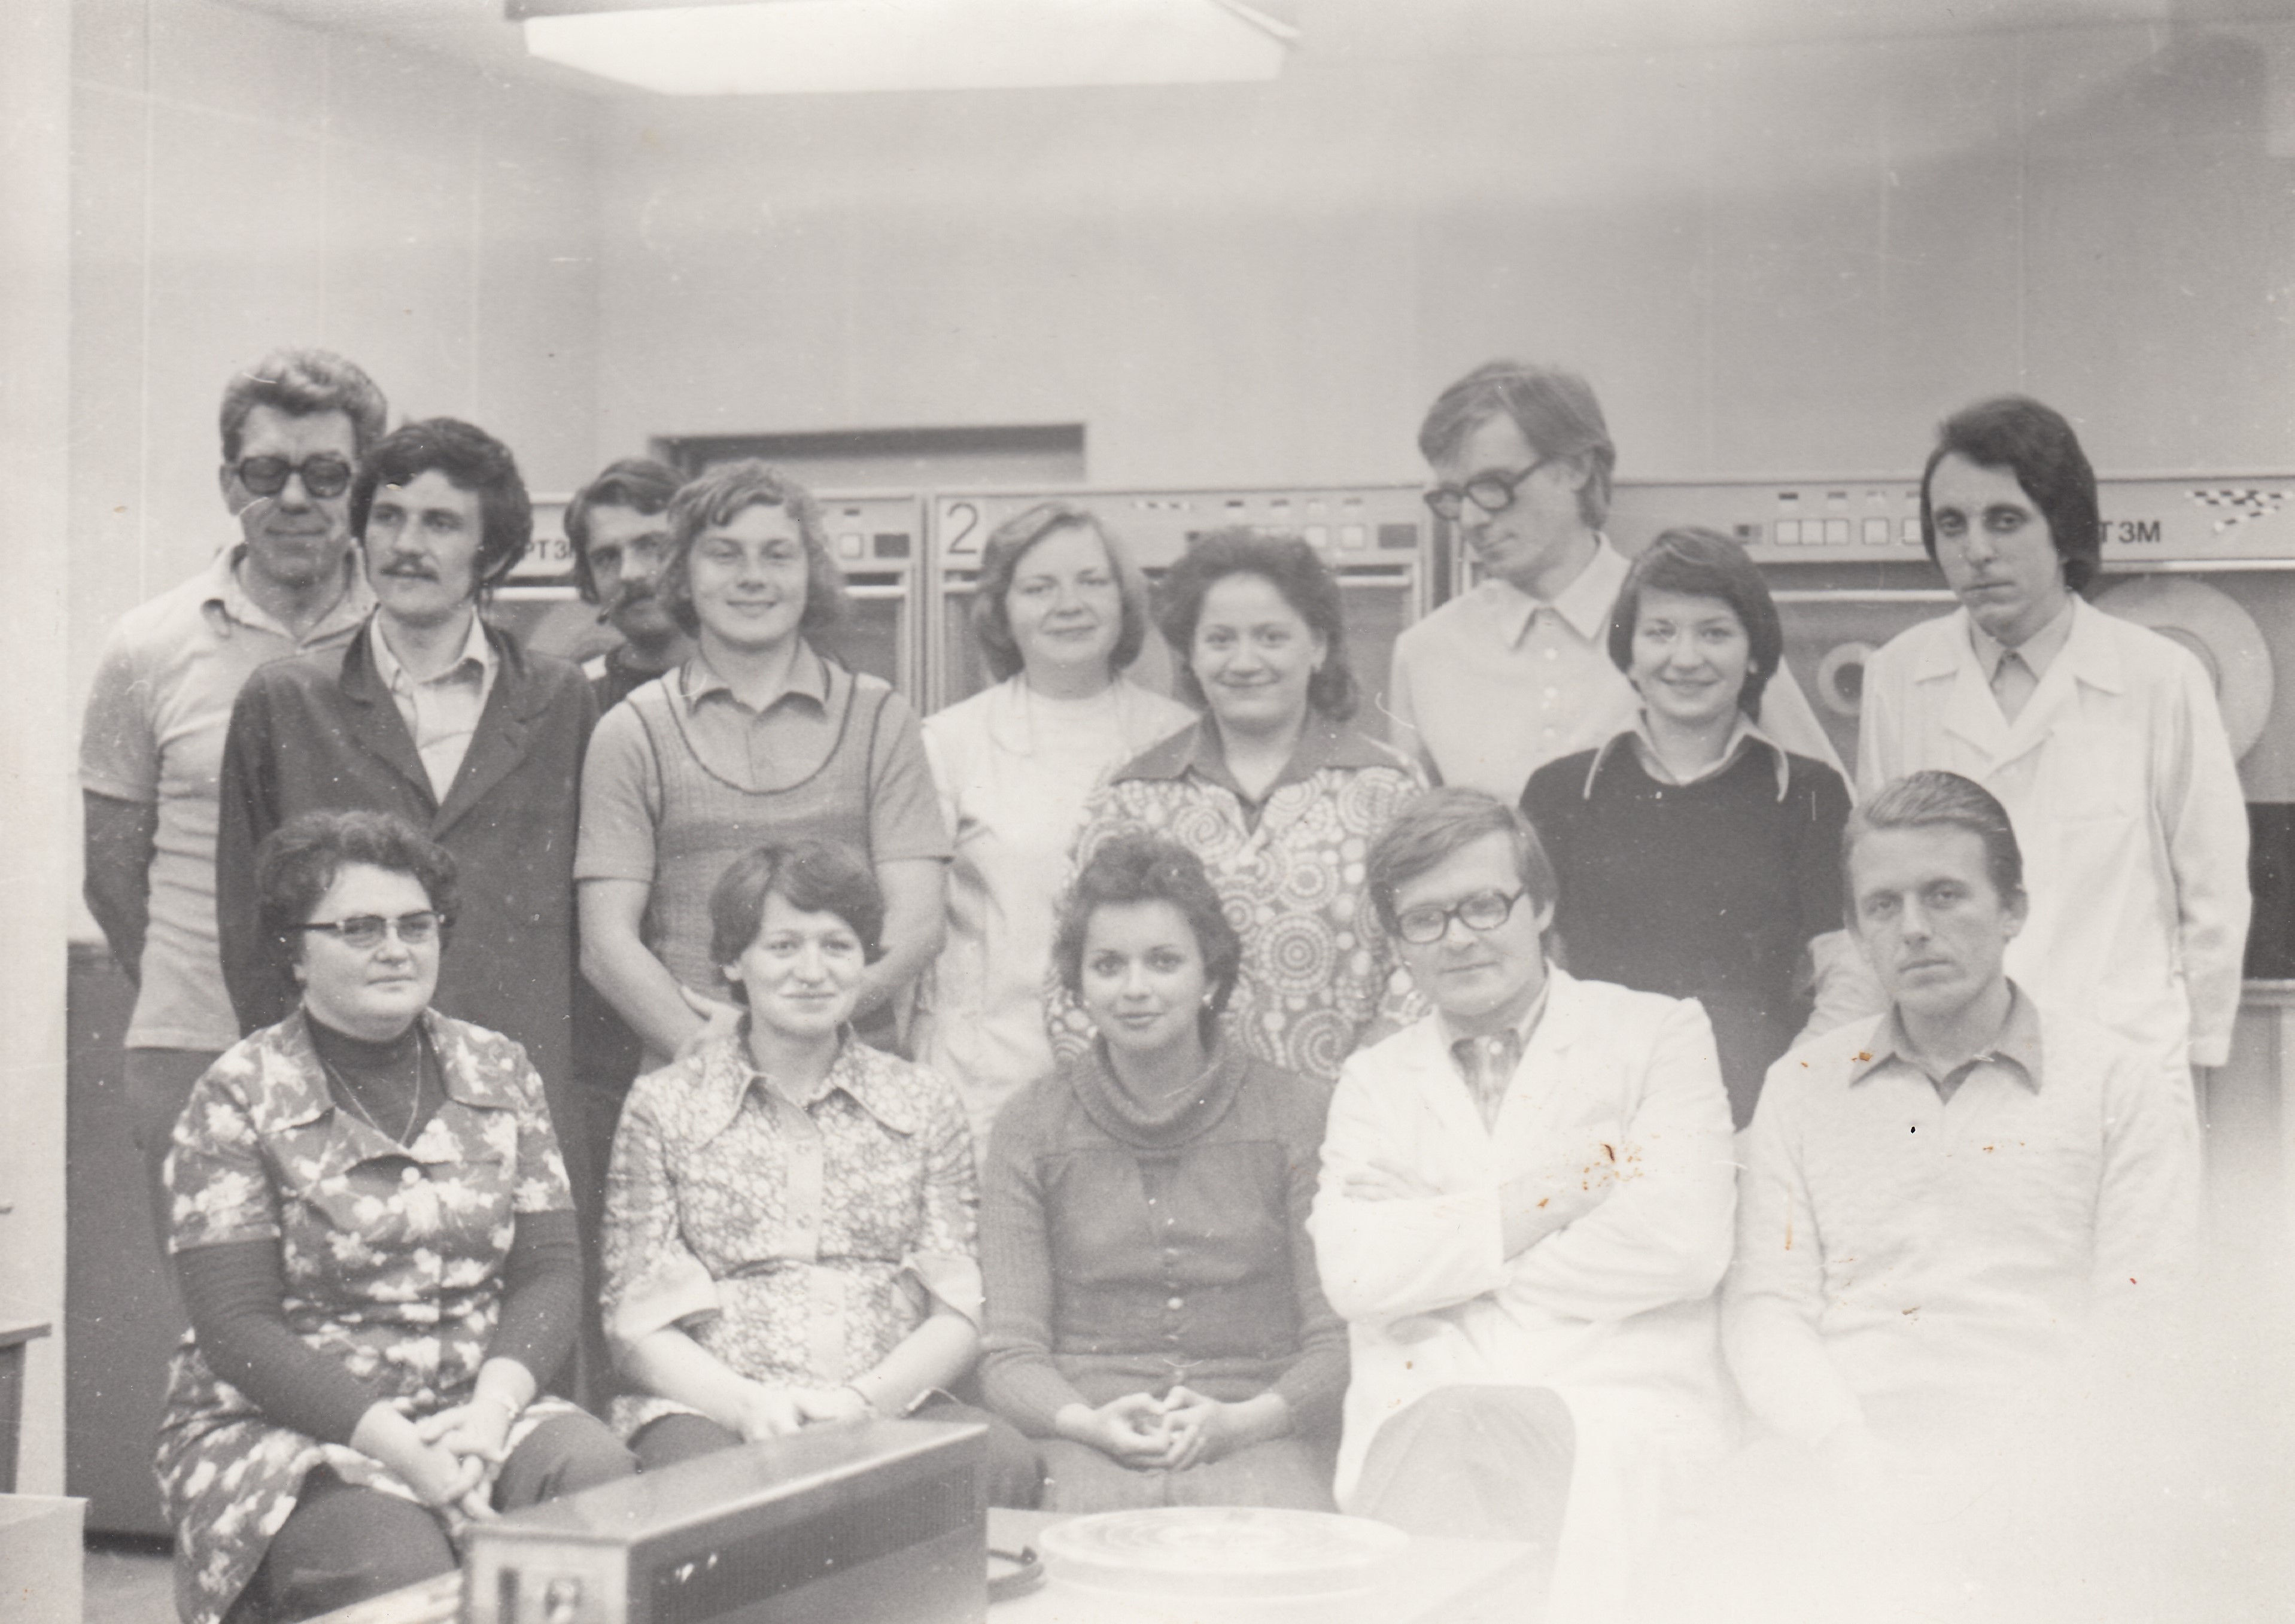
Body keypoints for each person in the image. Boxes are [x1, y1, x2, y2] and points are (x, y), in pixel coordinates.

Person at [158, 811, 636, 1624]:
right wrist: (404, 1451)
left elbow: (550, 1269)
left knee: (600, 1487)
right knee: (402, 1573)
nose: (395, 948)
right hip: (292, 1433)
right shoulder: (236, 1094)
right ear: (295, 950)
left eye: (416, 925)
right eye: (359, 928)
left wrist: (489, 1414)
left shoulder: (499, 1068)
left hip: (478, 1409)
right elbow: (237, 1326)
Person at [1308, 787, 1735, 1617]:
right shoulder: (1373, 1079)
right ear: (1397, 942)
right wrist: (1557, 1195)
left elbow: (1682, 1249)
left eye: (1483, 904)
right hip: (1428, 1417)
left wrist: (1444, 1232)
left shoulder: (1655, 1035)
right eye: (1424, 918)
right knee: (1454, 1435)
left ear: (1538, 904)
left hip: (1611, 1409)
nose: (1458, 936)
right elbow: (1356, 1274)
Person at [1725, 770, 2201, 1470]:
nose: (1914, 928)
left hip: (2054, 1463)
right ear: (1856, 934)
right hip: (1849, 1455)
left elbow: (2146, 1315)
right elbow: (1767, 1307)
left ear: (2013, 909)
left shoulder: (2117, 1082)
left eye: (1944, 894)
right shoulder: (1800, 1086)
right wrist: (1842, 1444)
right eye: (1882, 906)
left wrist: (2015, 1466)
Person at [216, 419, 601, 1218]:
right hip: (340, 1099)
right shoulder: (286, 699)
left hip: (520, 1099)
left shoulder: (561, 701)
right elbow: (252, 935)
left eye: (440, 523)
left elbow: (587, 923)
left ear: (491, 550)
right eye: (388, 517)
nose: (406, 544)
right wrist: (294, 1096)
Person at [599, 840, 1039, 1505]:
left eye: (837, 946)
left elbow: (958, 1309)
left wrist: (863, 1402)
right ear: (734, 960)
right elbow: (635, 1319)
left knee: (1000, 1462)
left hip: (892, 1403)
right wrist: (748, 1405)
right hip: (715, 1411)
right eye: (782, 946)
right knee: (702, 1490)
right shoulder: (664, 1105)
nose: (812, 971)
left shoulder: (923, 1102)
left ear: (865, 958)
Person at [1858, 396, 2250, 1100]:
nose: (1976, 549)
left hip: (2118, 1066)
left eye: (2004, 519)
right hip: (1949, 1067)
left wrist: (2193, 1060)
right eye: (1952, 524)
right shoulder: (1897, 675)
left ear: (2064, 530)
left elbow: (2212, 893)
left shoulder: (2159, 677)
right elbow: (1879, 888)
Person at [81, 348, 387, 1237]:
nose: (294, 498)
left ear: (362, 488)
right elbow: (111, 877)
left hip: (379, 1045)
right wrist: (205, 993)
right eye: (265, 472)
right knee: (218, 1306)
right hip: (194, 1044)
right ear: (228, 483)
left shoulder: (404, 636)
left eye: (326, 474)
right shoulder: (146, 647)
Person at [981, 831, 1346, 1512]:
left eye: (1164, 961)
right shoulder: (1029, 1126)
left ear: (1210, 976)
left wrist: (1246, 1421)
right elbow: (1010, 1354)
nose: (1135, 989)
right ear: (1079, 984)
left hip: (1260, 1432)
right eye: (1108, 965)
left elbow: (1336, 1338)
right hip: (1087, 1437)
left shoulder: (1298, 1113)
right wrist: (1085, 1423)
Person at [577, 460, 948, 1065]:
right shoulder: (630, 731)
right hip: (694, 1074)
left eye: (778, 555)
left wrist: (804, 1029)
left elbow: (919, 922)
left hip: (857, 1071)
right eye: (724, 555)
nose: (752, 577)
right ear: (682, 574)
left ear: (812, 573)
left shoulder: (882, 718)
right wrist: (712, 1054)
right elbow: (606, 943)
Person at [1059, 530, 1422, 1087]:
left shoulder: (1390, 789)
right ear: (1190, 653)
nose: (1245, 661)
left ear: (1318, 646)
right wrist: (1136, 1110)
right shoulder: (1130, 792)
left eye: (1272, 637)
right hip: (1165, 1121)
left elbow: (1422, 970)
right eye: (1220, 639)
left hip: (1353, 1115)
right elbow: (1072, 976)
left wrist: (1360, 1104)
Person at [1390, 359, 1841, 801]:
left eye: (1493, 486)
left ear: (1575, 468)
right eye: (1453, 497)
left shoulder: (1699, 622)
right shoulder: (1425, 652)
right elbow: (1407, 838)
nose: (1470, 519)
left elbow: (1825, 812)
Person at [1522, 528, 1855, 1128]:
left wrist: (1783, 1108)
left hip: (1757, 1113)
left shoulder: (1809, 793)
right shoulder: (1560, 793)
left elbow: (1850, 979)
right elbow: (1529, 977)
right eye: (1660, 632)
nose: (1685, 657)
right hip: (1597, 1117)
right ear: (1628, 651)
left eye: (1714, 633)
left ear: (1754, 653)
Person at [917, 502, 1194, 1149]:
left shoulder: (1180, 737)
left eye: (1091, 581)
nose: (1069, 605)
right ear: (1001, 610)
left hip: (1153, 1079)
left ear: (1124, 599)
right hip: (991, 1080)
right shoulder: (950, 743)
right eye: (1039, 587)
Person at [566, 456, 692, 714]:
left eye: (652, 546)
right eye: (607, 557)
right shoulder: (571, 701)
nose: (629, 573)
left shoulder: (757, 683)